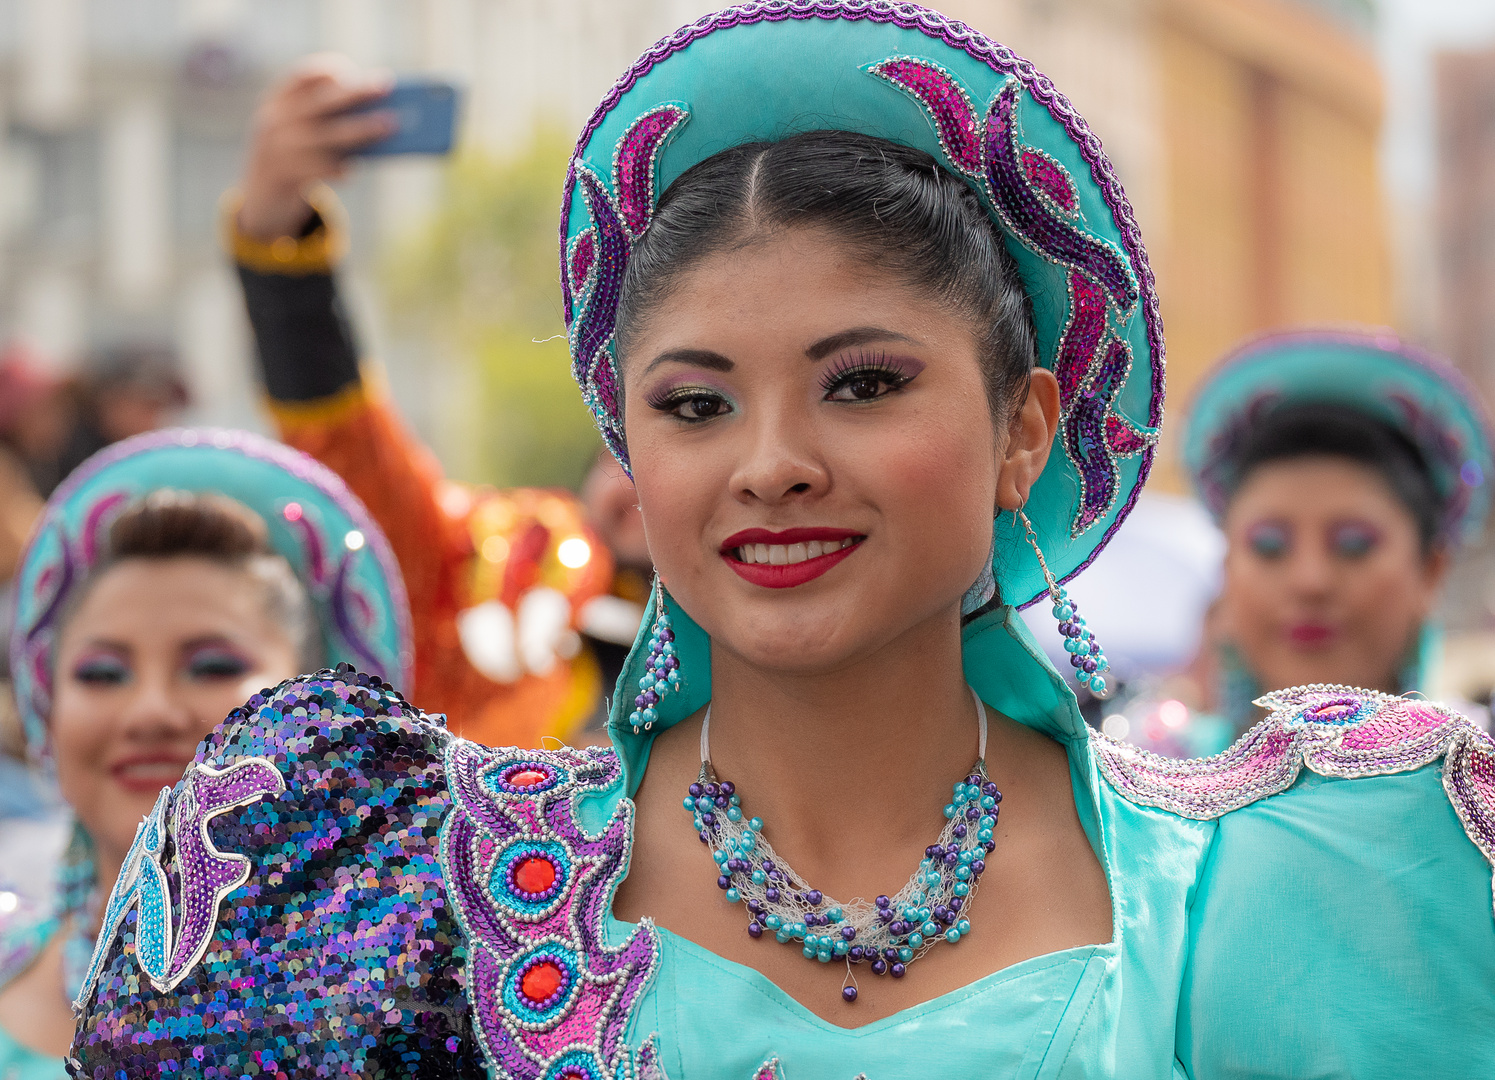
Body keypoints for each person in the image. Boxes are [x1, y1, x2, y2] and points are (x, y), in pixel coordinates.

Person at [70, 6, 1495, 1077]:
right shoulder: (380, 896)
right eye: (692, 405)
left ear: (1021, 431)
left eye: (862, 384)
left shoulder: (1308, 886)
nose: (769, 465)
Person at [222, 55, 627, 748]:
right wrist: (277, 233)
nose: (645, 478)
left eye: (706, 411)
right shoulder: (507, 555)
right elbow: (350, 454)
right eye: (632, 433)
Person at [1, 428, 410, 1073]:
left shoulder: (419, 1008)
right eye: (102, 673)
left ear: (322, 713)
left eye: (212, 666)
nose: (150, 712)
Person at [1113, 329, 1493, 756]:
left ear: (1430, 570)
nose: (1309, 580)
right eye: (1269, 546)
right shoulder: (1146, 784)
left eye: (1354, 545)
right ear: (1227, 569)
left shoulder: (1479, 782)